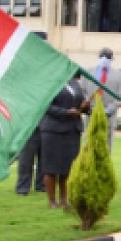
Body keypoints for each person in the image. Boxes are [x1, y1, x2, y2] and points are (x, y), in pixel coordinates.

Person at [40, 77, 87, 209]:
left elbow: (81, 105)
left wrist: (85, 107)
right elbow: (45, 106)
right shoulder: (50, 83)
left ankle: (64, 200)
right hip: (53, 131)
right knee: (51, 168)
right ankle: (52, 201)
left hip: (72, 131)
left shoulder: (75, 84)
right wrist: (65, 112)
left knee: (68, 168)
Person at [80, 47, 121, 151]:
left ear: (112, 59)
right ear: (98, 57)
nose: (104, 59)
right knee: (89, 147)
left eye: (107, 57)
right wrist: (87, 106)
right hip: (90, 115)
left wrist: (108, 110)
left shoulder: (119, 76)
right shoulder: (87, 73)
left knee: (106, 149)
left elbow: (120, 97)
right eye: (102, 56)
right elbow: (82, 91)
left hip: (108, 118)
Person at [14, 125, 45, 195]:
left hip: (46, 127)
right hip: (28, 129)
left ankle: (42, 185)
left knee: (44, 160)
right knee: (25, 160)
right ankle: (23, 187)